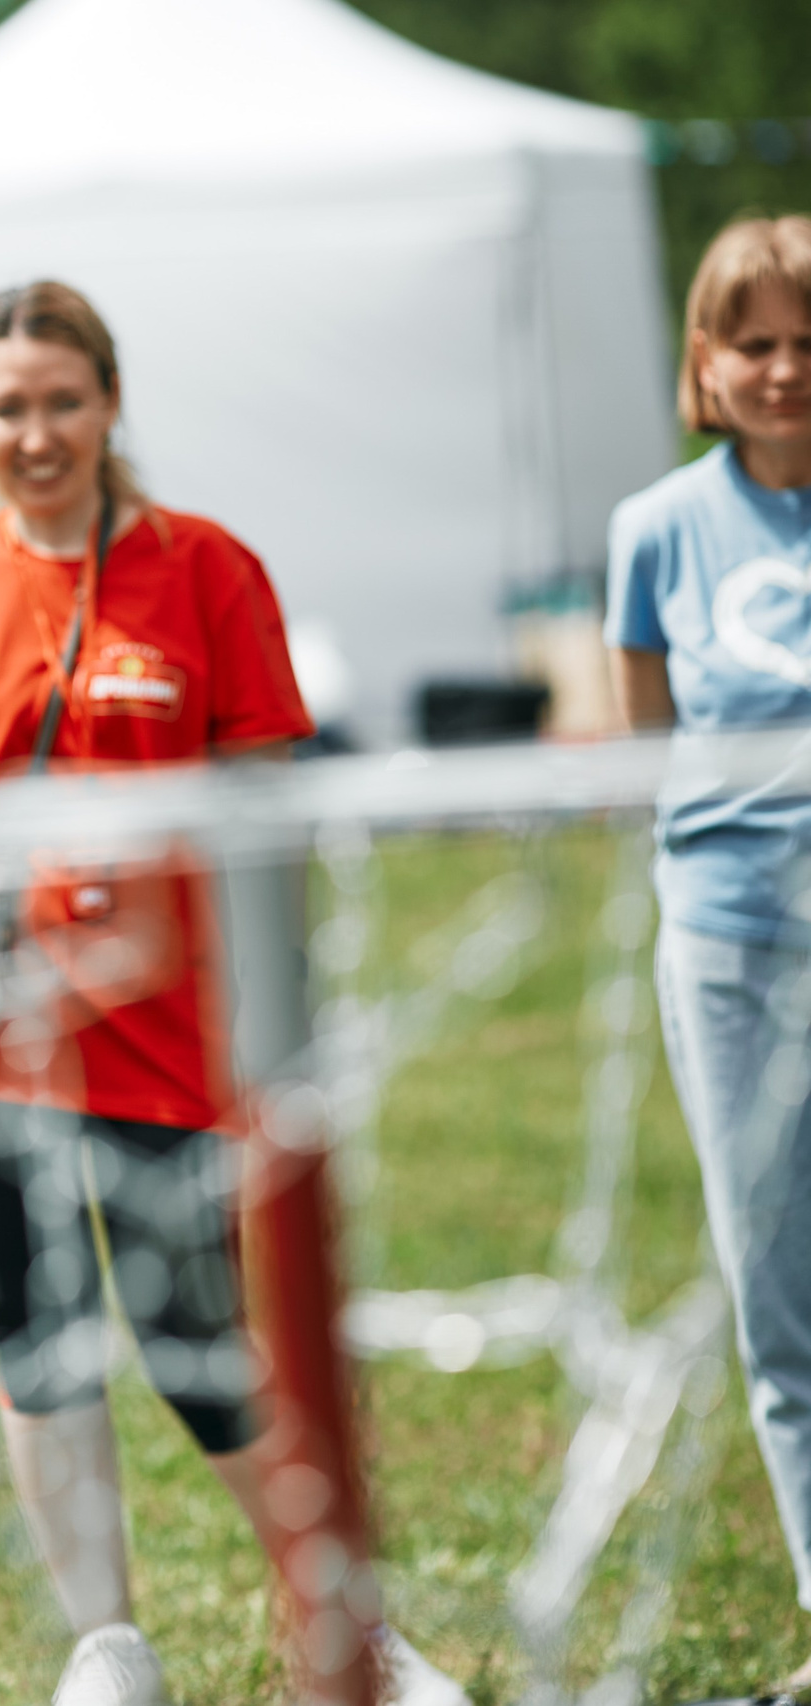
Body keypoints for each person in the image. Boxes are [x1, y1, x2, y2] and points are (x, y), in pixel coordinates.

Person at [0, 282, 464, 1706]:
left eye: (66, 399)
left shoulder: (207, 571)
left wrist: (277, 1036)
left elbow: (265, 827)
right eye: (10, 405)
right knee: (39, 1349)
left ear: (112, 403)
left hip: (171, 1041)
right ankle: (107, 1642)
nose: (39, 430)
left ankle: (349, 1628)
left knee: (203, 1353)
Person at [607, 213, 811, 1696]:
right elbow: (639, 752)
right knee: (779, 1292)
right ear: (706, 361)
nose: (786, 368)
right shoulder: (657, 530)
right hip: (732, 945)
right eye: (756, 341)